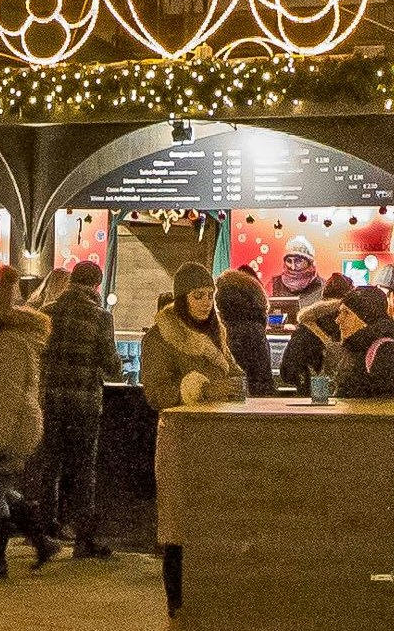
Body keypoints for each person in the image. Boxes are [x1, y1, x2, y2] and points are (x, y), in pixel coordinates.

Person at [139, 262, 246, 615]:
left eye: (210, 295)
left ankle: (212, 595)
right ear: (182, 298)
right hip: (180, 441)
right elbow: (155, 392)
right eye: (198, 296)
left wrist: (231, 386)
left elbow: (234, 375)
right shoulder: (161, 336)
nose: (205, 302)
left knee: (216, 518)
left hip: (219, 439)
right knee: (179, 521)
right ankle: (178, 602)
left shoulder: (217, 333)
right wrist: (193, 389)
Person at [0, 276, 60, 578]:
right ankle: (42, 542)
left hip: (7, 425)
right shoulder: (7, 340)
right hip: (11, 422)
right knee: (1, 490)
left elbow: (11, 395)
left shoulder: (6, 344)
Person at [35, 259, 121, 559]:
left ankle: (44, 531)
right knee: (83, 470)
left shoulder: (47, 313)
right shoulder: (100, 317)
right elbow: (111, 364)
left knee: (50, 467)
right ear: (97, 284)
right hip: (84, 404)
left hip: (51, 401)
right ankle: (84, 539)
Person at [276, 271, 353, 389]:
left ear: (324, 295)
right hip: (347, 397)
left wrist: (306, 379)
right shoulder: (352, 324)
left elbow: (287, 373)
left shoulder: (305, 328)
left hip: (310, 399)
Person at [332, 285, 394, 396]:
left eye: (346, 313)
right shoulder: (354, 347)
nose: (338, 320)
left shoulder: (385, 351)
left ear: (365, 318)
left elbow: (389, 405)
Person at [215, 268, 276, 396]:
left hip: (237, 401)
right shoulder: (254, 329)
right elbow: (261, 377)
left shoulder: (226, 329)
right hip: (253, 403)